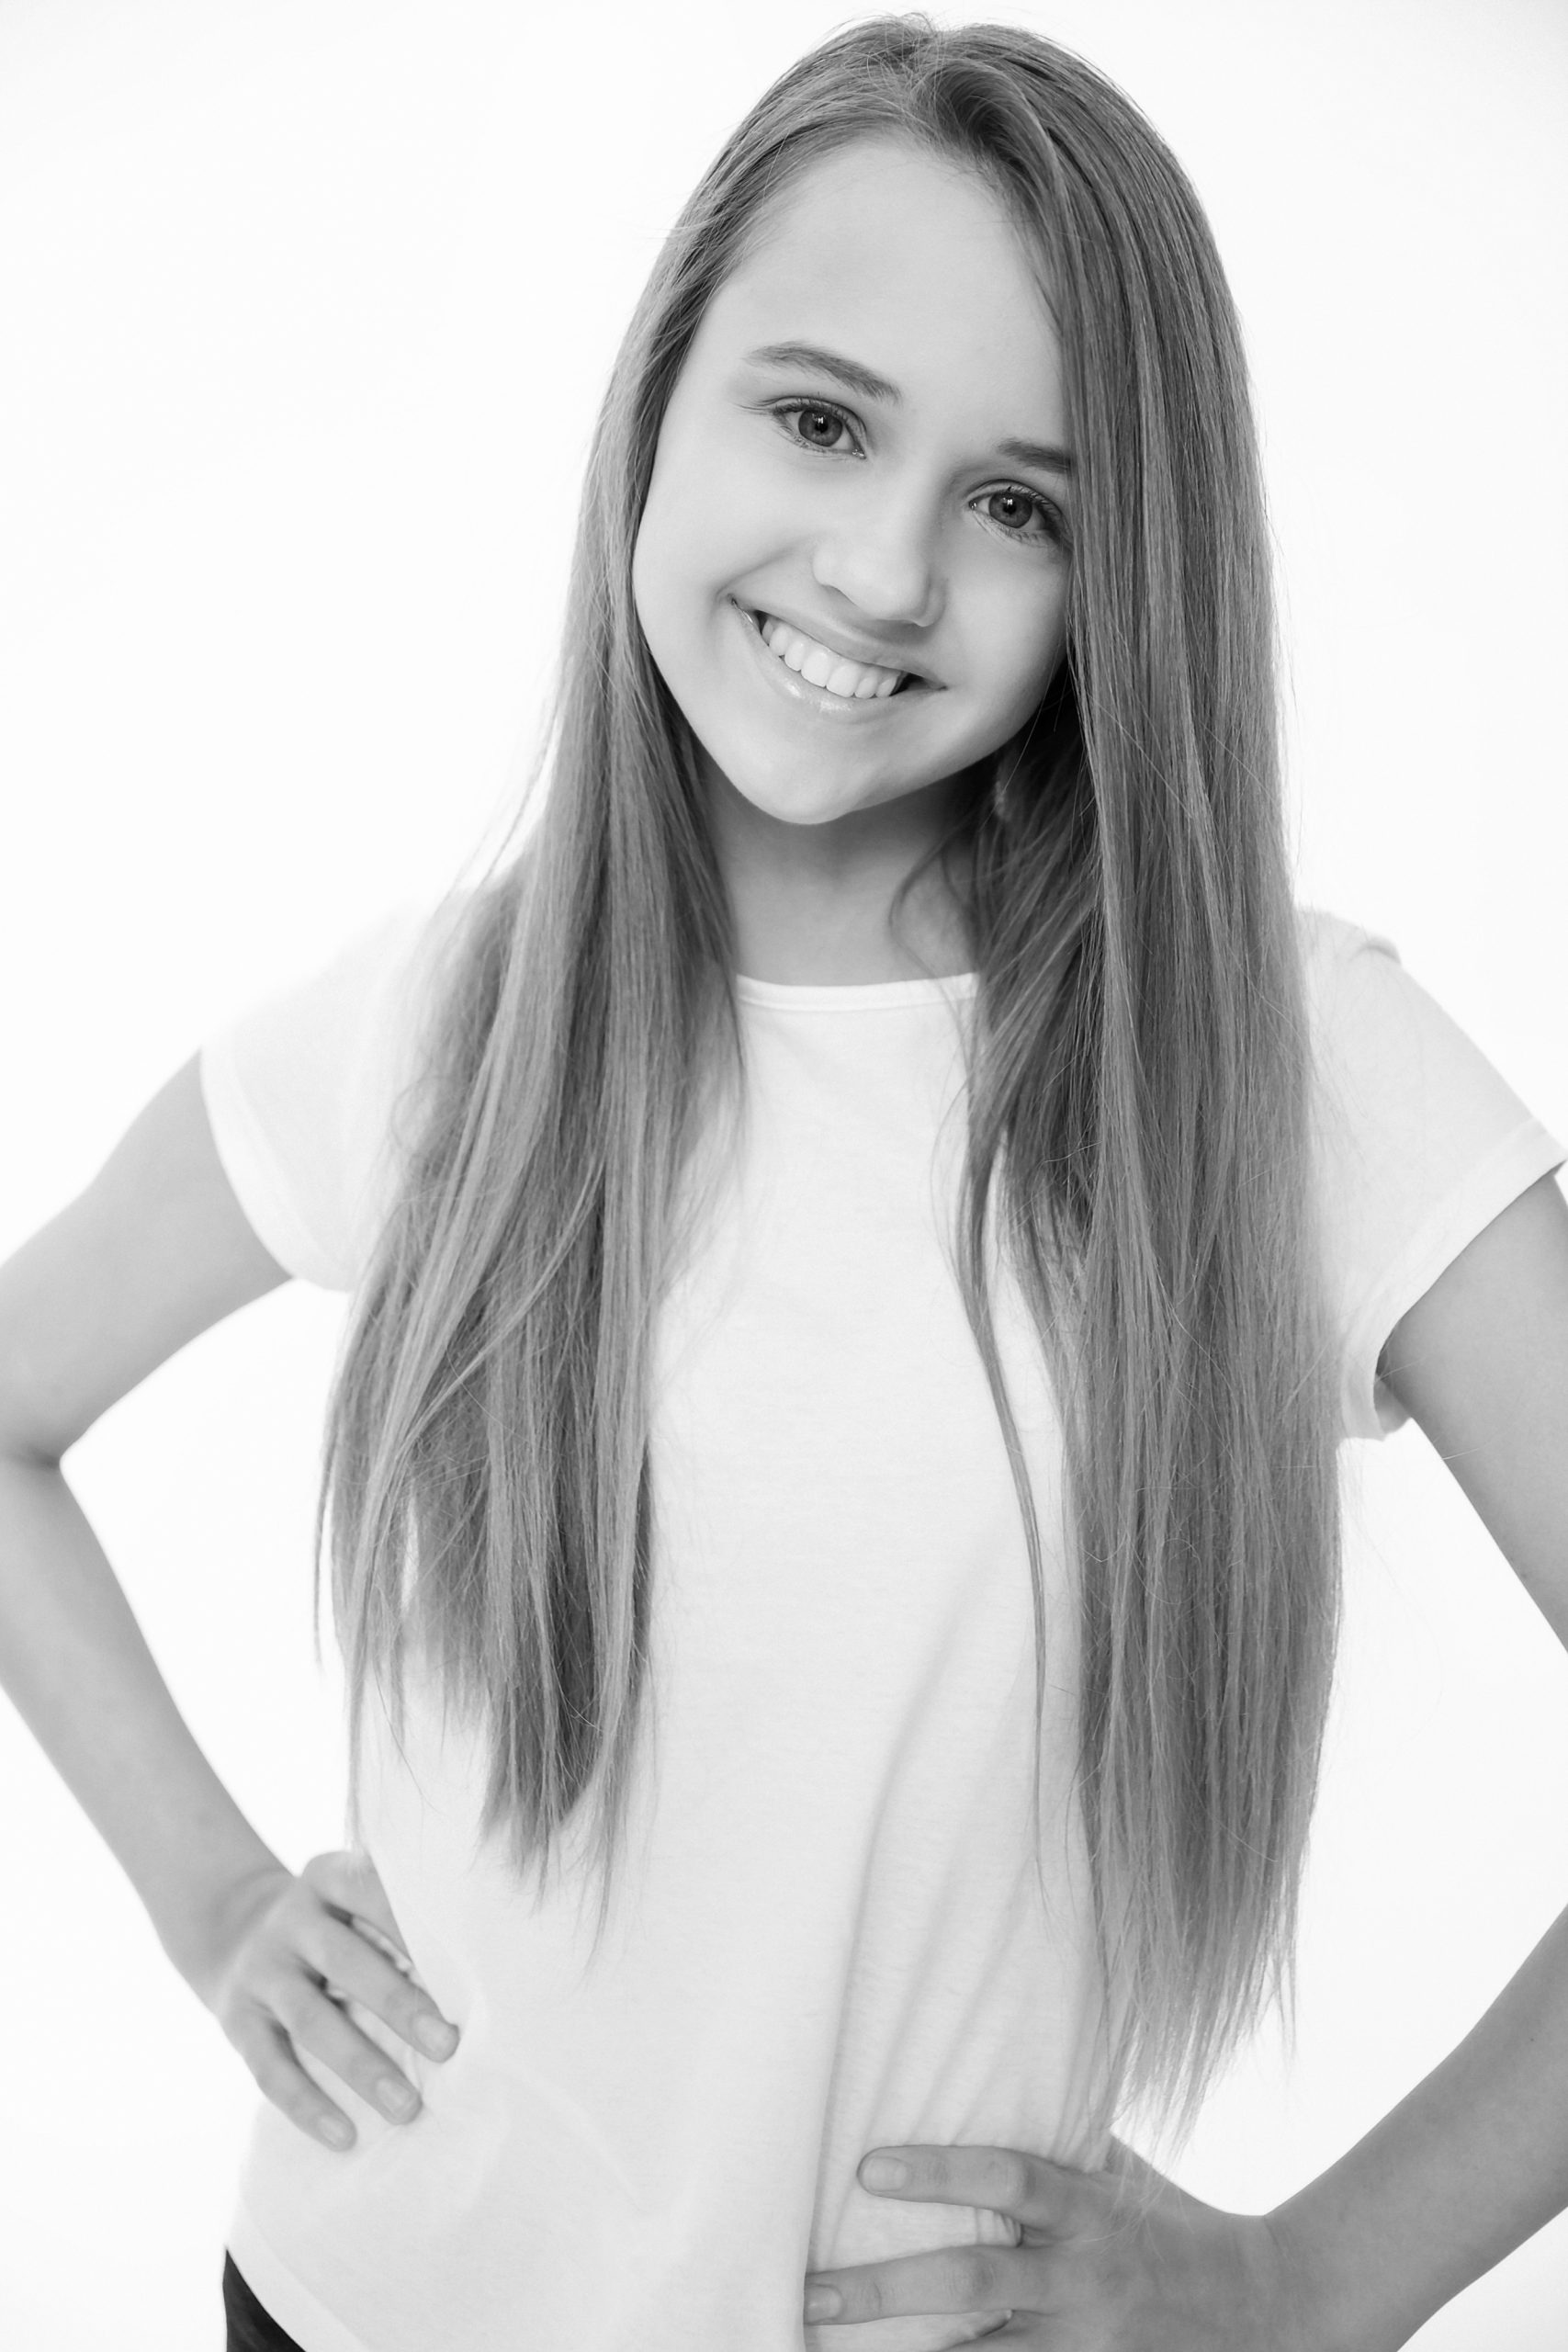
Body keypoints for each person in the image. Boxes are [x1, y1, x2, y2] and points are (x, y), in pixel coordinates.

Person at [1, 15, 1564, 2350]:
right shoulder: (444, 1025)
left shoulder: (1276, 1061)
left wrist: (1315, 2276)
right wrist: (208, 1897)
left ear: (1120, 575)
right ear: (659, 398)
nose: (885, 568)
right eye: (821, 420)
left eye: (1019, 504)